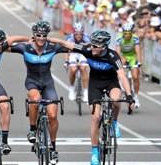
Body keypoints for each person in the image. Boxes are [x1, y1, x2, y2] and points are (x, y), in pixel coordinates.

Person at [48, 30, 135, 165]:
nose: (92, 47)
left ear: (104, 47)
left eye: (95, 46)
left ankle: (115, 123)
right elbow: (64, 42)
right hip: (95, 83)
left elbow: (122, 76)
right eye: (92, 45)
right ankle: (95, 152)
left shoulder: (113, 56)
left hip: (111, 82)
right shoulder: (87, 49)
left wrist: (129, 96)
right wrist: (44, 39)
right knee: (95, 117)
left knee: (116, 100)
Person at [2, 20, 69, 164]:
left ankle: (53, 149)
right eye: (38, 35)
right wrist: (20, 38)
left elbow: (70, 47)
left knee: (52, 116)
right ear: (33, 35)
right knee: (36, 99)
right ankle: (32, 129)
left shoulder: (52, 47)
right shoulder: (24, 47)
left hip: (48, 83)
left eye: (44, 35)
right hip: (32, 82)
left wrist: (53, 39)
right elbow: (3, 47)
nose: (41, 38)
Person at [116, 23, 142, 108]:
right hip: (123, 55)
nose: (127, 35)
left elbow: (138, 51)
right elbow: (117, 53)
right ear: (123, 33)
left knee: (135, 76)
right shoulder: (119, 39)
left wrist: (139, 63)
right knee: (120, 64)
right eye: (125, 33)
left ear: (132, 33)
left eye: (129, 33)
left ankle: (136, 97)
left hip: (132, 57)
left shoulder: (135, 38)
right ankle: (121, 82)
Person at [64, 22, 90, 102]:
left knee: (83, 68)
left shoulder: (86, 37)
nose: (79, 35)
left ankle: (85, 91)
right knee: (73, 69)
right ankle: (71, 88)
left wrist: (85, 44)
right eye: (76, 34)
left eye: (80, 34)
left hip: (82, 53)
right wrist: (66, 61)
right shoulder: (70, 38)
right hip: (73, 53)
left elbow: (90, 47)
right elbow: (66, 51)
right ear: (74, 33)